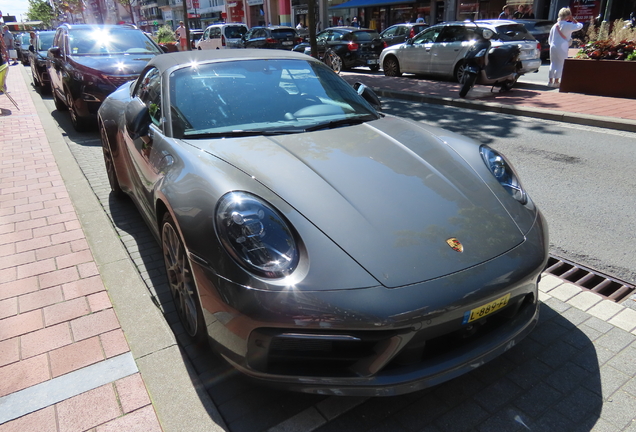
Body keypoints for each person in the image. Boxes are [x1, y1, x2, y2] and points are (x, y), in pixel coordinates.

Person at [548, 7, 583, 88]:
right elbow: (580, 26)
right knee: (561, 63)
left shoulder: (555, 25)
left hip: (553, 45)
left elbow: (550, 38)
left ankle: (550, 81)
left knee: (553, 63)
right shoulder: (568, 25)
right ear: (568, 16)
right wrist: (573, 19)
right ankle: (556, 82)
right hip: (562, 45)